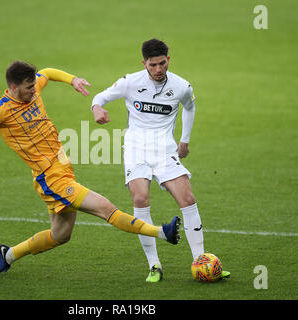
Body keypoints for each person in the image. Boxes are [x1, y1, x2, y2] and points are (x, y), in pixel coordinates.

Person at [0, 61, 181, 275]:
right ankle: (162, 232)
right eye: (27, 88)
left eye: (33, 86)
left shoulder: (33, 86)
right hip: (50, 178)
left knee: (61, 236)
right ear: (13, 88)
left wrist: (73, 80)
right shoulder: (0, 111)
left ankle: (8, 255)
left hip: (62, 168)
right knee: (106, 208)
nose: (33, 90)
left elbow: (47, 71)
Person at [91, 39, 230, 282]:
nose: (158, 69)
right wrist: (97, 109)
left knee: (188, 199)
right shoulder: (130, 82)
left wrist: (184, 140)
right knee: (140, 198)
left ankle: (201, 261)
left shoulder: (181, 86)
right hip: (135, 149)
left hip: (165, 150)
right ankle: (154, 266)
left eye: (162, 63)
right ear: (143, 63)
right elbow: (100, 97)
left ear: (169, 60)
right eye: (152, 65)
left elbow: (189, 107)